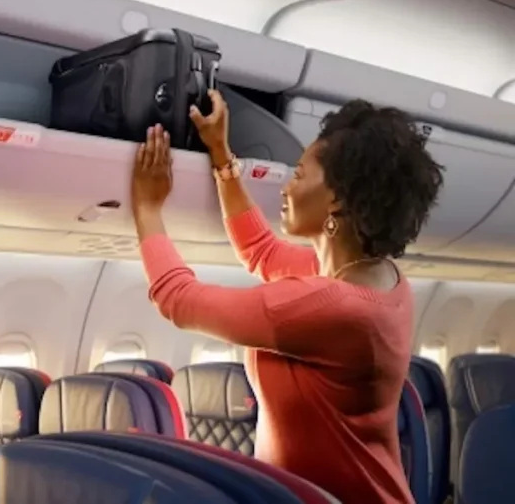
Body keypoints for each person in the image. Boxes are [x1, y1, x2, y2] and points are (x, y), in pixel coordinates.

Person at [130, 90, 444, 504]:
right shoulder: (377, 279)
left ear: (337, 198)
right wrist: (222, 157)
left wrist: (147, 208)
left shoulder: (331, 308)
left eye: (298, 175)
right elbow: (260, 250)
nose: (286, 186)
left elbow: (178, 298)